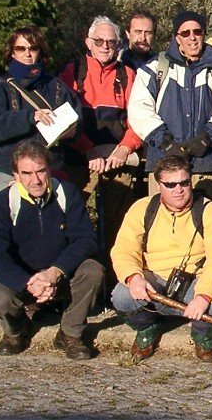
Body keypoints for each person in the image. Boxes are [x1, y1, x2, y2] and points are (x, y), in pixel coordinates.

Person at [0, 141, 104, 359]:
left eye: (40, 171)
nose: (35, 180)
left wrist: (55, 272)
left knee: (93, 271)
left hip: (61, 276)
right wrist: (28, 282)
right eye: (27, 173)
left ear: (49, 169)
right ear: (16, 175)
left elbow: (86, 240)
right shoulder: (4, 203)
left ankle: (70, 332)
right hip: (25, 281)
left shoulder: (66, 193)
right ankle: (17, 331)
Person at [110, 154, 212, 362]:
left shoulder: (210, 211)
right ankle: (148, 328)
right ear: (159, 185)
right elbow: (123, 250)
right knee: (121, 297)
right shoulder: (142, 208)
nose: (179, 190)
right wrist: (134, 277)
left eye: (184, 183)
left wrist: (203, 296)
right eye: (171, 184)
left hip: (194, 280)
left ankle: (202, 335)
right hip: (153, 279)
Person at [127, 11, 212, 204]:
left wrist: (208, 137)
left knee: (205, 225)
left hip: (205, 163)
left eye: (197, 32)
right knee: (163, 226)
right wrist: (165, 142)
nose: (192, 37)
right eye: (185, 33)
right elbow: (139, 109)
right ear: (176, 38)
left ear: (203, 34)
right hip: (164, 167)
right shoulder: (156, 67)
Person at [59, 16, 144, 261]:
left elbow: (139, 120)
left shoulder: (128, 75)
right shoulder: (73, 72)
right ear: (88, 42)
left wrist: (125, 149)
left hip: (117, 160)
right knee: (68, 219)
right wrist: (88, 150)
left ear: (119, 45)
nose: (105, 46)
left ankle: (115, 277)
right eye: (99, 41)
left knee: (119, 225)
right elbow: (64, 118)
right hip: (78, 160)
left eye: (111, 42)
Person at [0, 25, 82, 197]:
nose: (27, 54)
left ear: (40, 51)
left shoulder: (56, 86)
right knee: (10, 222)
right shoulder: (0, 86)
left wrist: (70, 131)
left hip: (49, 170)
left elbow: (77, 120)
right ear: (12, 52)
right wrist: (31, 117)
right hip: (9, 170)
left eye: (33, 48)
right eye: (20, 48)